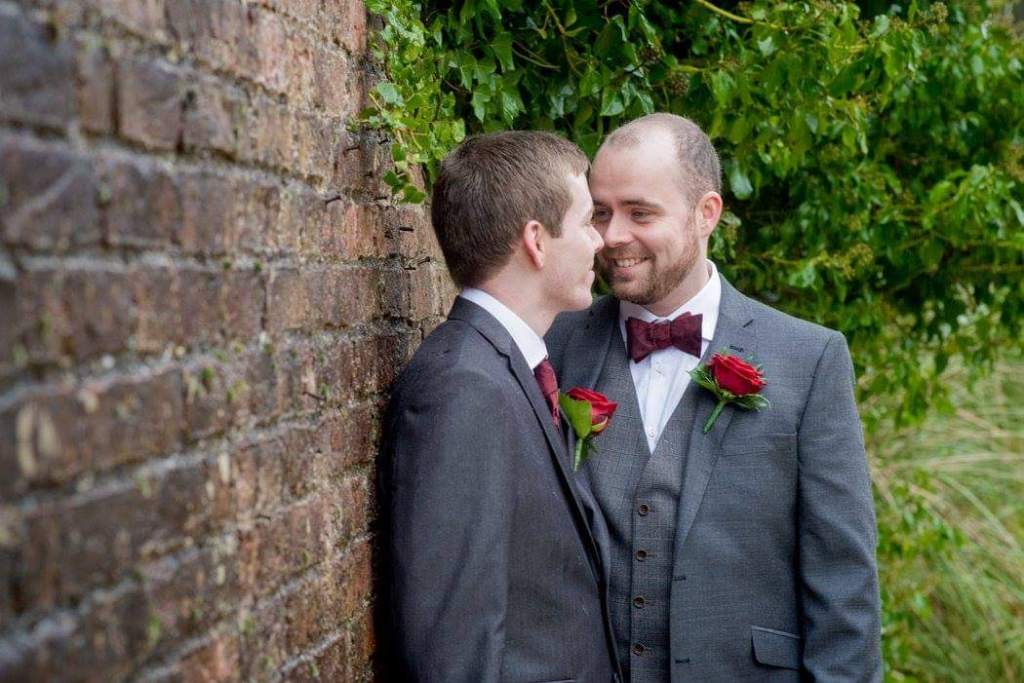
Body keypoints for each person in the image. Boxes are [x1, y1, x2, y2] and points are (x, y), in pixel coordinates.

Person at [546, 113, 882, 682]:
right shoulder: (555, 342)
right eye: (600, 212)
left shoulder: (809, 358)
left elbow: (844, 586)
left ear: (707, 214)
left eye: (640, 212)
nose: (612, 236)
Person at [378, 130, 621, 682]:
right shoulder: (462, 386)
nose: (599, 242)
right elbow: (451, 648)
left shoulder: (506, 368)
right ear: (536, 240)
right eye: (587, 221)